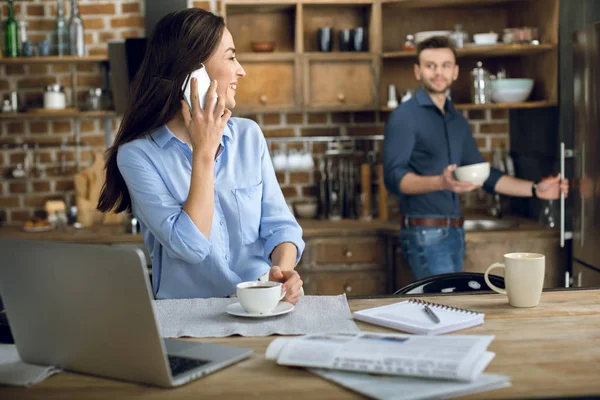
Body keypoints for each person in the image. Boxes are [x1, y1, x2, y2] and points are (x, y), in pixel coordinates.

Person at [97, 9, 305, 303]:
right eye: (231, 57)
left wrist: (281, 276)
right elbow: (191, 247)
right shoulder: (137, 156)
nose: (240, 70)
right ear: (194, 75)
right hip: (188, 319)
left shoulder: (248, 136)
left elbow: (281, 227)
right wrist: (204, 153)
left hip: (260, 307)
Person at [383, 36, 569, 281]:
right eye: (430, 65)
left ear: (456, 71)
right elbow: (394, 178)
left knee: (452, 308)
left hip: (455, 233)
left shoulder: (457, 120)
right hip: (424, 233)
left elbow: (484, 174)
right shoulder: (404, 117)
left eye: (445, 65)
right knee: (443, 310)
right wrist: (441, 183)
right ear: (418, 71)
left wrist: (536, 190)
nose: (438, 72)